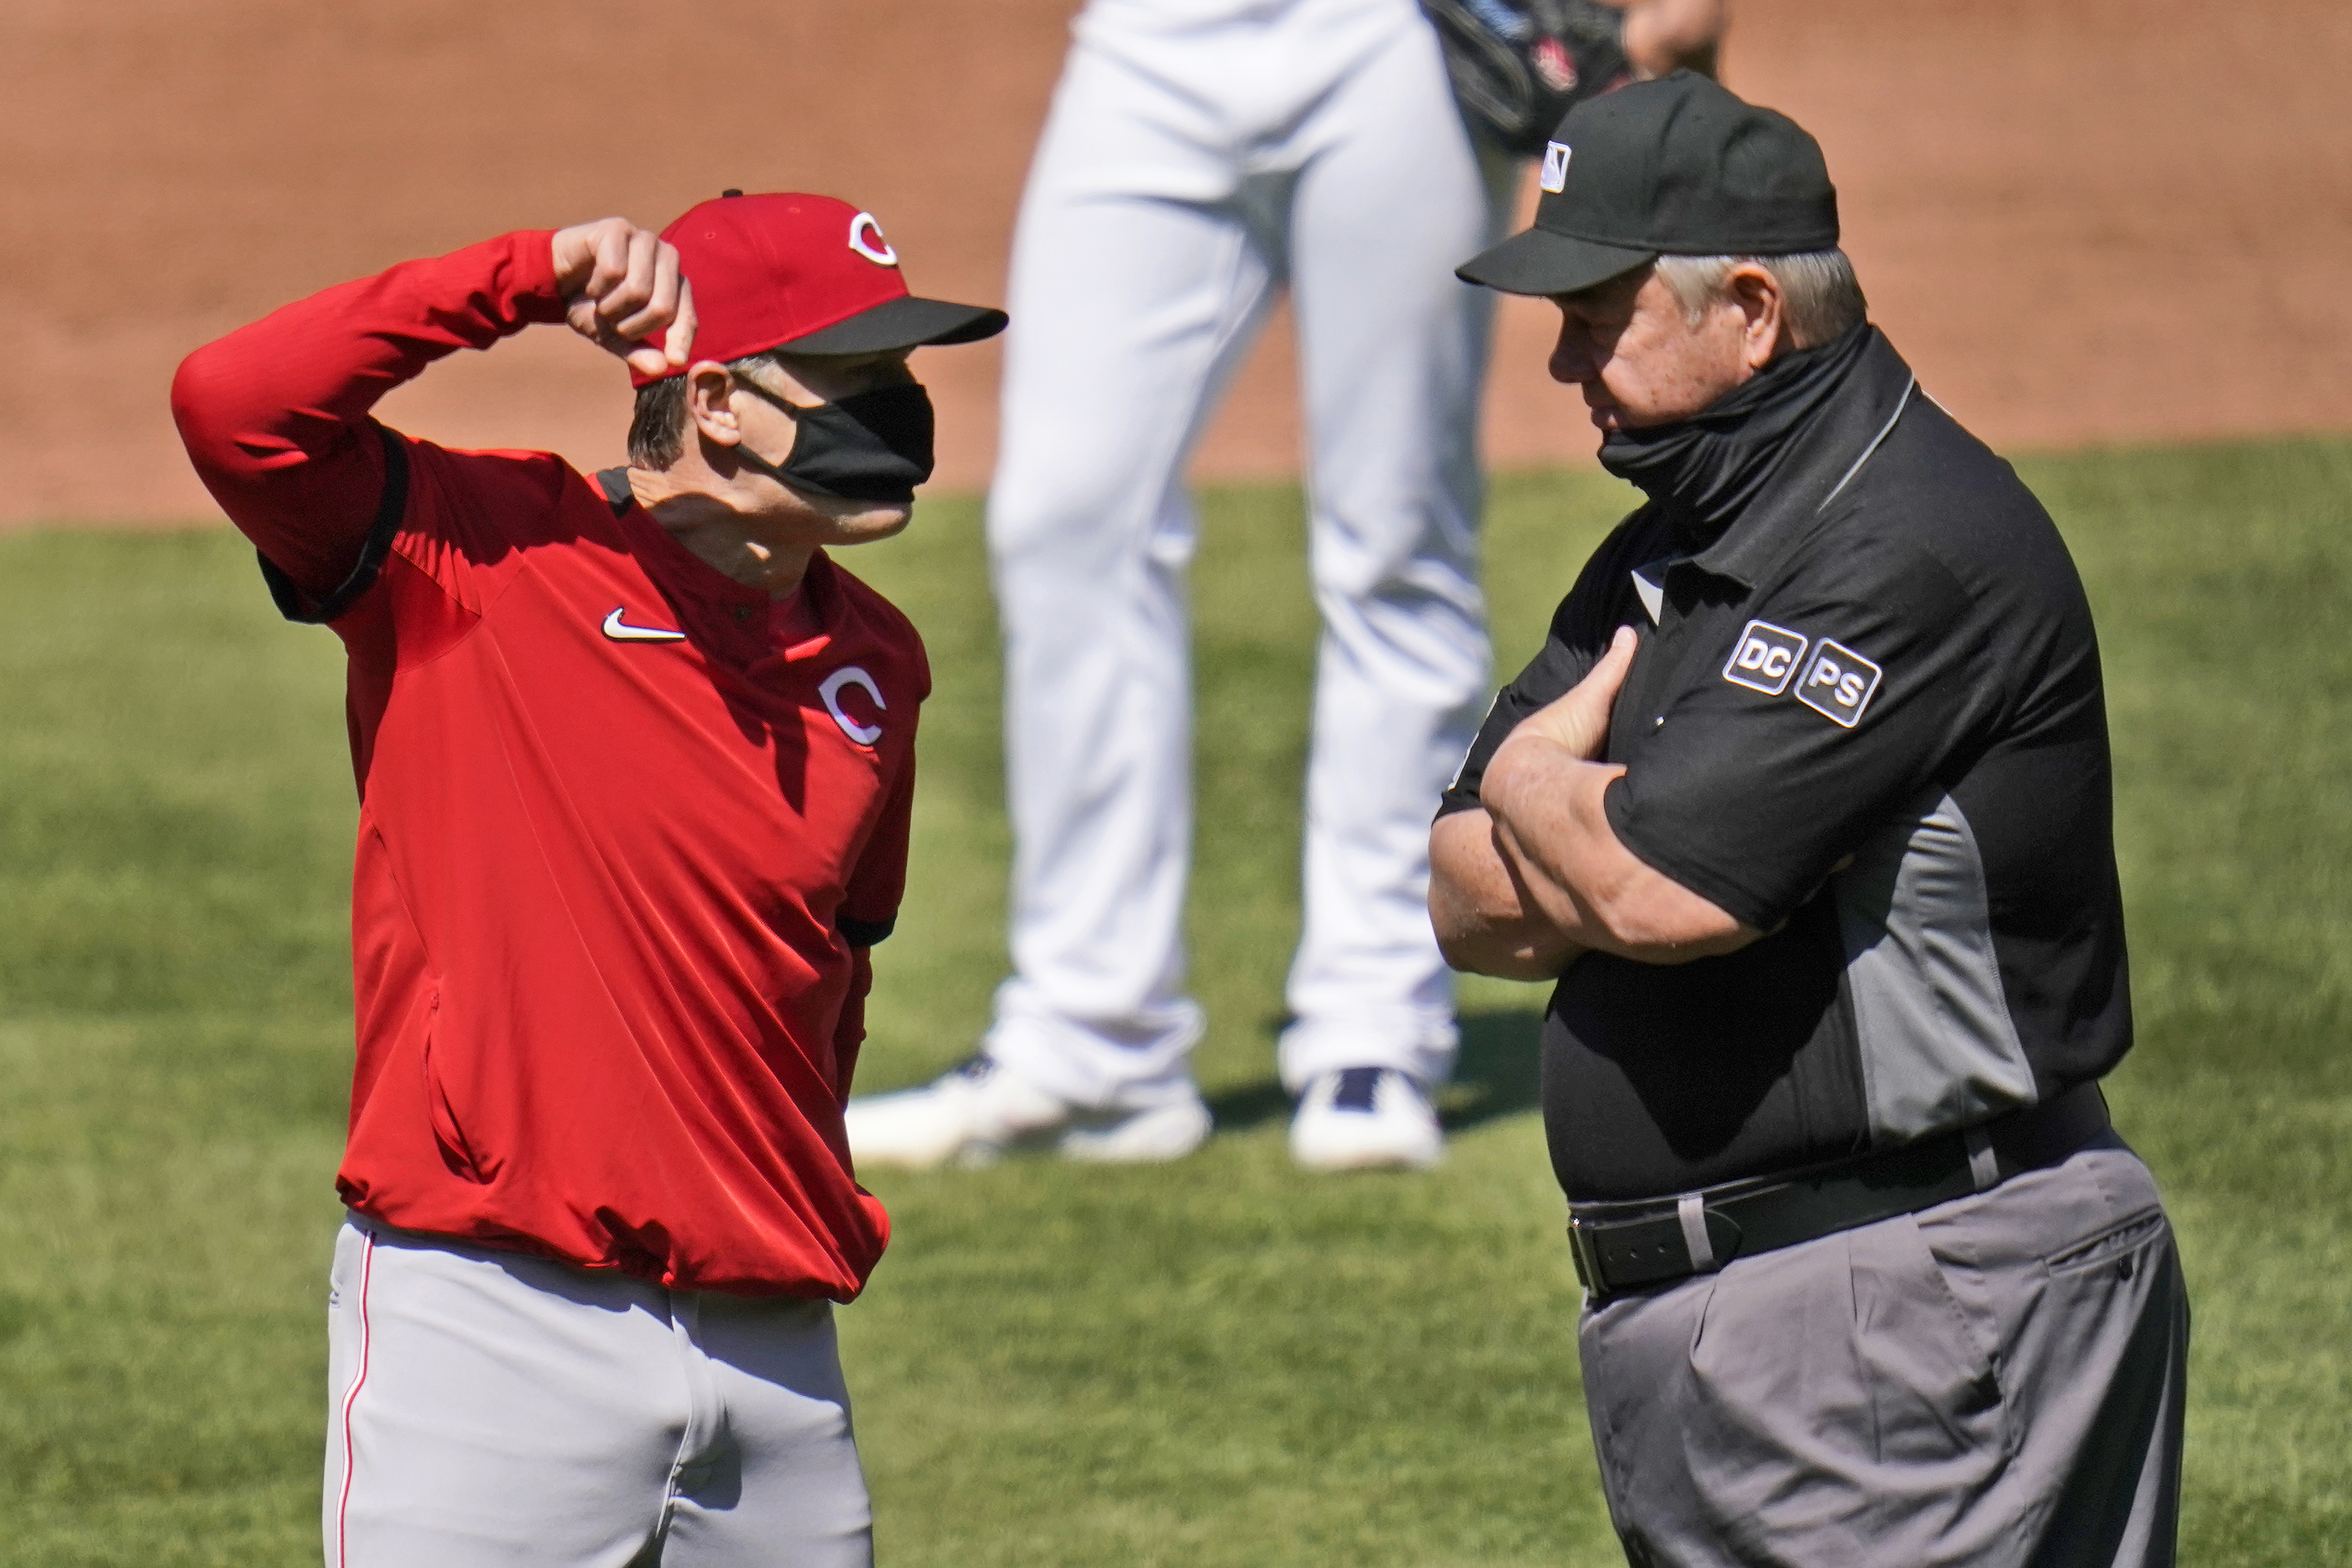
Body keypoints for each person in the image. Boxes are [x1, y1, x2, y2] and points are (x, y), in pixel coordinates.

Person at [170, 192, 1004, 1567]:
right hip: (495, 1330)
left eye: (905, 376)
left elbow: (835, 976)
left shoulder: (878, 664)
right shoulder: (477, 554)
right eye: (858, 380)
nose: (906, 414)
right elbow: (235, 408)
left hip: (776, 1353)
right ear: (720, 400)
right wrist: (520, 278)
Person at [1431, 73, 2188, 1566]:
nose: (1561, 364)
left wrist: (1536, 784)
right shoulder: (1677, 538)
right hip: (1777, 1335)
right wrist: (1565, 830)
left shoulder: (1904, 541)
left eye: (1596, 315)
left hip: (1910, 1317)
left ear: (1754, 310)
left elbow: (1658, 891)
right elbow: (1463, 905)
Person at [847, 0, 1728, 1175]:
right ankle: (1091, 1037)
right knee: (1065, 520)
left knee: (1394, 538)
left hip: (1391, 38)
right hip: (1149, 45)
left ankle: (1374, 1028)